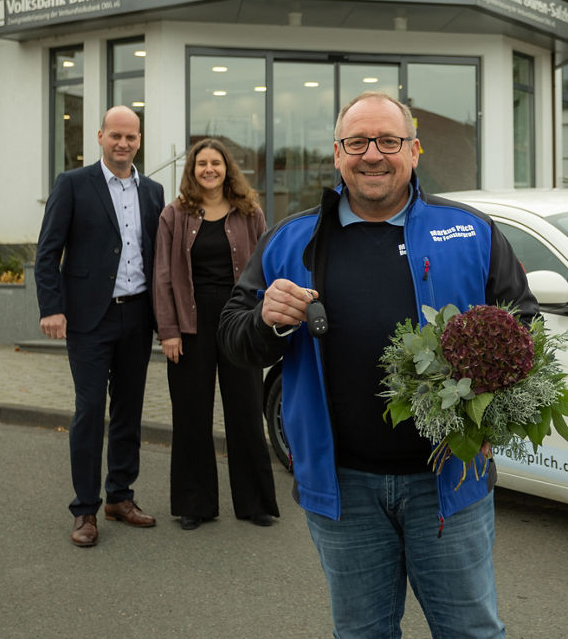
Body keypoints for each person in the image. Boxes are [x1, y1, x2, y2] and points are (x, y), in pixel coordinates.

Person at [219, 91, 537, 639]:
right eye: (358, 142)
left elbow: (523, 329)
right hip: (344, 490)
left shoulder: (470, 232)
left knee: (471, 632)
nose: (373, 154)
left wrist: (495, 424)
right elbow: (232, 333)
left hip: (449, 482)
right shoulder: (292, 239)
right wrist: (267, 319)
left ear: (414, 151)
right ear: (337, 154)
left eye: (388, 141)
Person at [35, 105, 165, 547]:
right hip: (90, 318)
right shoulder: (72, 184)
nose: (123, 143)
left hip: (137, 315)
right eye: (116, 136)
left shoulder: (153, 191)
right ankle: (85, 510)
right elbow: (47, 251)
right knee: (91, 411)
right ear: (100, 137)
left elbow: (157, 257)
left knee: (128, 410)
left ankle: (120, 497)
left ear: (139, 140)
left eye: (131, 137)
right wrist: (52, 308)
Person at [153, 138, 279, 530]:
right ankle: (195, 503)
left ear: (228, 169)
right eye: (201, 163)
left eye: (216, 163)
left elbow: (266, 267)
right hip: (191, 326)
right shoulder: (174, 215)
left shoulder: (249, 212)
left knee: (244, 410)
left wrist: (262, 322)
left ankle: (255, 502)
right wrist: (168, 331)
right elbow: (162, 276)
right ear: (191, 170)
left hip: (239, 322)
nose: (209, 169)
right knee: (191, 414)